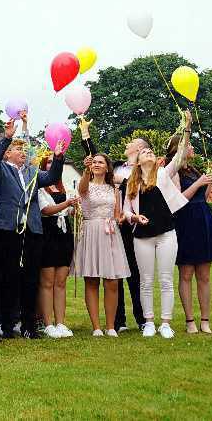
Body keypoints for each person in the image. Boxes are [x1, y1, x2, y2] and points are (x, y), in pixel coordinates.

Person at [0, 115, 65, 340]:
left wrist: (57, 157)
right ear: (8, 153)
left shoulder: (32, 172)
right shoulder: (1, 168)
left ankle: (29, 325)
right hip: (8, 229)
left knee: (31, 278)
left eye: (24, 149)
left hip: (32, 230)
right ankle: (6, 323)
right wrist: (6, 138)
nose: (23, 152)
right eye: (18, 149)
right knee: (7, 277)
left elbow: (52, 176)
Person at [125, 112, 193, 339]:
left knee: (165, 279)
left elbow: (180, 154)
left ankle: (165, 323)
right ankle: (149, 322)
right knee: (145, 281)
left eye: (151, 152)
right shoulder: (132, 183)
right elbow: (125, 211)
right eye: (145, 152)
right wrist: (135, 218)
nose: (149, 153)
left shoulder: (164, 174)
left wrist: (187, 127)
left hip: (166, 234)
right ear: (137, 161)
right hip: (142, 237)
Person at [81, 119, 145, 331]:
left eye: (132, 143)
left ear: (140, 149)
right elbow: (95, 160)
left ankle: (140, 319)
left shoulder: (141, 171)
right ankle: (115, 322)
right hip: (99, 229)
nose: (127, 144)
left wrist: (129, 217)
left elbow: (123, 207)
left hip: (124, 230)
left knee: (128, 274)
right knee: (101, 278)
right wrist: (85, 135)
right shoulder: (115, 168)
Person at [168, 136, 212, 335]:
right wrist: (200, 181)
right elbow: (179, 200)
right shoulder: (173, 172)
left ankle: (205, 320)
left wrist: (210, 175)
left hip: (203, 220)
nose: (192, 147)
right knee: (186, 274)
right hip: (185, 222)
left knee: (204, 275)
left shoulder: (194, 170)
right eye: (189, 145)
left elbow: (204, 196)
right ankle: (189, 321)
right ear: (179, 149)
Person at [72, 153, 129, 336]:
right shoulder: (85, 185)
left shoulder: (114, 189)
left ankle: (111, 326)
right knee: (91, 279)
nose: (96, 164)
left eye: (100, 162)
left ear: (107, 167)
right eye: (94, 162)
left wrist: (122, 218)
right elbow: (81, 190)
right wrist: (85, 171)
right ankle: (96, 327)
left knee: (112, 281)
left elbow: (117, 214)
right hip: (90, 231)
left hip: (110, 232)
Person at [37, 155, 78, 338]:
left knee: (61, 281)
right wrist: (66, 204)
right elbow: (45, 210)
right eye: (49, 162)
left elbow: (69, 210)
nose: (52, 165)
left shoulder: (64, 186)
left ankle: (60, 322)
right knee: (47, 281)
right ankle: (47, 323)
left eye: (54, 163)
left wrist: (74, 207)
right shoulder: (40, 187)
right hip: (48, 233)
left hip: (64, 233)